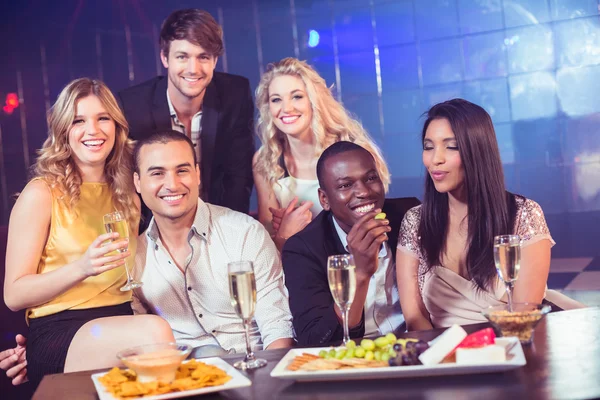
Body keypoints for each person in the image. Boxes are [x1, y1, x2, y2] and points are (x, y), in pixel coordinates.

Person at [2, 78, 174, 387]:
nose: (93, 130)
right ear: (64, 131)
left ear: (117, 126)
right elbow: (14, 295)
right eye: (79, 121)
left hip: (120, 322)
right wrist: (83, 267)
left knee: (155, 337)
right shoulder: (41, 193)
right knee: (155, 332)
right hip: (61, 330)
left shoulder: (128, 196)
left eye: (102, 118)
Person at [396, 98, 554, 331]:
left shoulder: (524, 215)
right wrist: (443, 358)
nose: (435, 159)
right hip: (441, 355)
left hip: (509, 348)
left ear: (477, 150)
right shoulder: (415, 222)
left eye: (451, 146)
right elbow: (414, 318)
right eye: (429, 147)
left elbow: (524, 313)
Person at [130, 130, 294, 352]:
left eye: (182, 170)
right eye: (157, 173)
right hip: (187, 380)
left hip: (254, 366)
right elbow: (144, 344)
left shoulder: (244, 233)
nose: (172, 184)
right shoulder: (133, 257)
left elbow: (278, 326)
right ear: (138, 182)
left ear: (197, 174)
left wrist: (268, 382)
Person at [118, 9, 254, 222]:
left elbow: (238, 178)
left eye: (203, 57)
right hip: (156, 225)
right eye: (182, 56)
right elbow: (132, 184)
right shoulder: (133, 106)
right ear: (165, 58)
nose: (193, 69)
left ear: (215, 61)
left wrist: (229, 231)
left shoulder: (234, 95)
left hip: (218, 219)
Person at [282, 141, 419, 346]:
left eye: (371, 178)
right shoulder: (303, 250)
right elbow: (313, 339)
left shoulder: (409, 217)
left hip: (413, 346)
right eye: (346, 185)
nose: (363, 192)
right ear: (324, 199)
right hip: (352, 356)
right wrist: (360, 274)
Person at [253, 57, 390, 250]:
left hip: (357, 255)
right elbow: (270, 236)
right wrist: (285, 233)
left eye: (297, 96)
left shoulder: (352, 149)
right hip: (298, 262)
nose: (286, 108)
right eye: (276, 100)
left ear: (314, 101)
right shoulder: (265, 160)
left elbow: (372, 210)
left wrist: (307, 229)